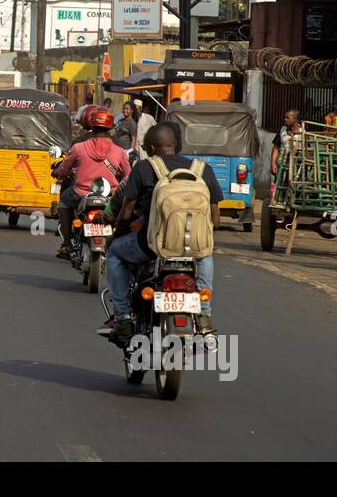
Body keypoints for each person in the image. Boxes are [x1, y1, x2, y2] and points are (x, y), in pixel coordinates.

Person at [103, 122, 222, 340]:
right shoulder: (202, 169)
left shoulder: (144, 168)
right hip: (193, 249)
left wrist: (115, 237)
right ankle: (204, 315)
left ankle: (124, 318)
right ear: (176, 144)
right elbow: (215, 219)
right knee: (205, 253)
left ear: (149, 146)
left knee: (114, 254)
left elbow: (126, 211)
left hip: (151, 246)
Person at [53, 108, 130, 259]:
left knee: (63, 203)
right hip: (110, 197)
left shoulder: (78, 148)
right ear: (110, 128)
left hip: (81, 194)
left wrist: (57, 173)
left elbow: (63, 169)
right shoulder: (119, 151)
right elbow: (128, 175)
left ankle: (67, 243)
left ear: (91, 127)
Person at [270, 109, 302, 179]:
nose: (285, 119)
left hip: (296, 169)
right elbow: (276, 148)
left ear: (295, 119)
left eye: (288, 118)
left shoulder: (302, 133)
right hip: (281, 166)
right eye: (285, 117)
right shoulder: (282, 130)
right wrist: (273, 163)